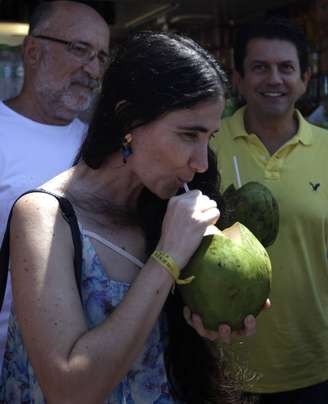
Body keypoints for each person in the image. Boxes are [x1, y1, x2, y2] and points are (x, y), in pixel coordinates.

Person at [0, 31, 260, 404]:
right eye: (189, 135)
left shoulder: (161, 209)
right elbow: (70, 389)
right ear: (129, 120)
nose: (202, 161)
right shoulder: (45, 216)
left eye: (209, 138)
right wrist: (167, 258)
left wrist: (207, 316)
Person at [211, 18, 328, 404]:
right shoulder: (207, 145)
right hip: (222, 364)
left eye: (286, 68)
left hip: (316, 362)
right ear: (239, 79)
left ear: (305, 79)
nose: (273, 79)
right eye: (260, 68)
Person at [0, 0, 110, 371]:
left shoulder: (100, 149)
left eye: (100, 57)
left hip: (79, 366)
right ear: (33, 51)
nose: (93, 69)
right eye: (80, 50)